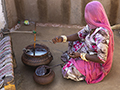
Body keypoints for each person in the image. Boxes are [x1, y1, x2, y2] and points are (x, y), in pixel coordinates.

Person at [52, 1, 114, 84]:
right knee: (72, 41)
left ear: (94, 14)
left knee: (66, 72)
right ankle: (75, 61)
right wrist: (63, 38)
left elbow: (101, 59)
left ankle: (83, 71)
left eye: (88, 13)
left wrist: (81, 55)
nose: (86, 16)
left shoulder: (102, 34)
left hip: (96, 62)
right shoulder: (92, 25)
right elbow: (79, 35)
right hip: (88, 50)